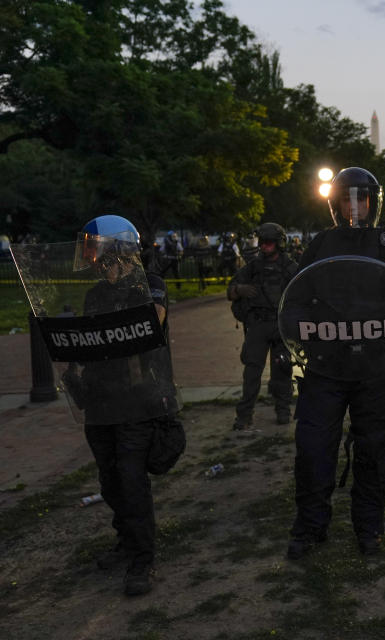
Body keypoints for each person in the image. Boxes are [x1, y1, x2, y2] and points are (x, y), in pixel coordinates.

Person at [287, 167, 385, 559]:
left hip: (376, 368)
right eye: (346, 198)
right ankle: (311, 525)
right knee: (313, 447)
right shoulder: (321, 245)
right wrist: (306, 330)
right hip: (326, 365)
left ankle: (369, 527)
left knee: (372, 450)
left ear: (373, 202)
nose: (354, 206)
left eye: (361, 198)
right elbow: (294, 298)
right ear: (336, 203)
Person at [75, 215, 181, 596]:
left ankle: (142, 558)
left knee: (132, 478)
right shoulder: (95, 295)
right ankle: (126, 539)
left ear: (117, 249)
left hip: (138, 399)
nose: (92, 258)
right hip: (102, 400)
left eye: (97, 249)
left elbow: (152, 323)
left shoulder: (149, 285)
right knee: (110, 479)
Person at [227, 222, 299, 430]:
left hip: (280, 327)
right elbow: (230, 291)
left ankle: (283, 410)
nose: (264, 247)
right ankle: (244, 415)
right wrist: (240, 289)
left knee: (282, 372)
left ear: (278, 244)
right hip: (257, 326)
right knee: (252, 373)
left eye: (268, 243)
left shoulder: (289, 266)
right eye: (262, 242)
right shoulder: (253, 267)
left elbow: (302, 291)